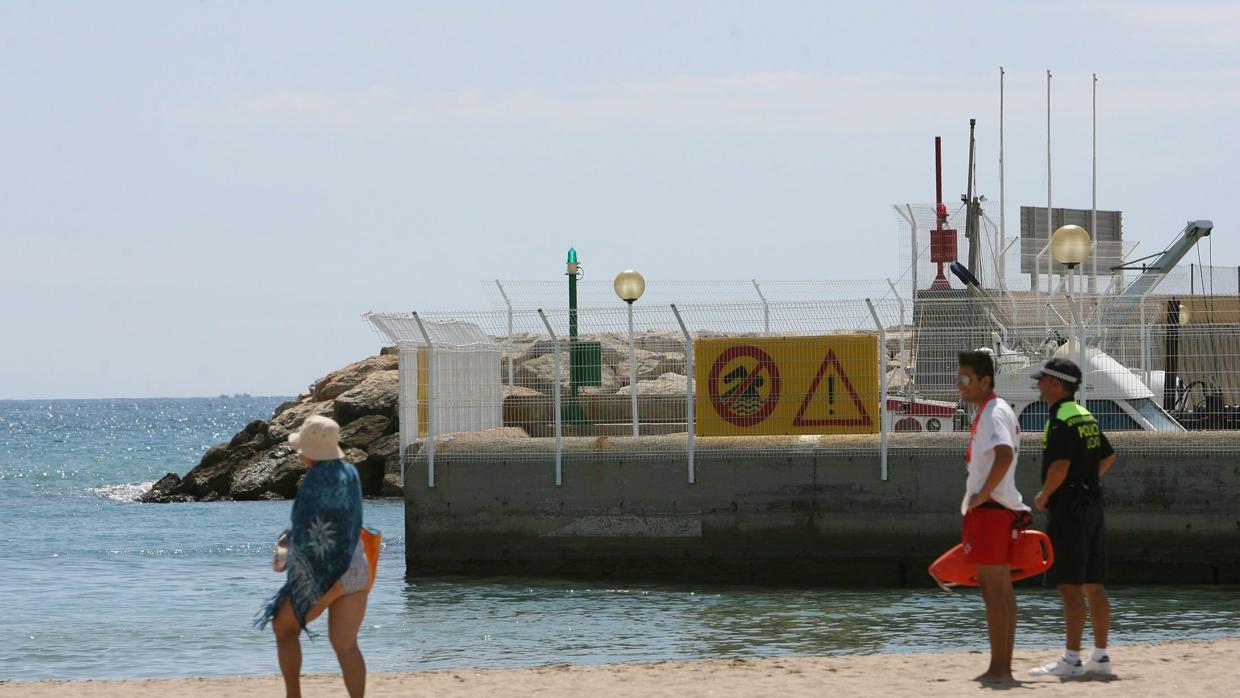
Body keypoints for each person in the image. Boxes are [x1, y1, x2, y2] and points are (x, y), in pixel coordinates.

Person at [256, 415, 380, 698]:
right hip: (356, 568)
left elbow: (308, 531)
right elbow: (341, 521)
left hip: (327, 575)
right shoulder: (350, 473)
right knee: (346, 645)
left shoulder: (314, 481)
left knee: (284, 627)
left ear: (310, 452)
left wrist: (286, 551)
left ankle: (293, 696)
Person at [1028, 358, 1117, 679]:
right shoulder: (1085, 415)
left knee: (1069, 585)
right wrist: (1087, 479)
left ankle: (1071, 659)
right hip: (1093, 504)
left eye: (1042, 380)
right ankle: (1102, 657)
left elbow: (1060, 466)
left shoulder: (1061, 419)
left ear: (1056, 384)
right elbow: (1108, 455)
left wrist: (1045, 495)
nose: (1037, 385)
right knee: (1094, 584)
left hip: (1071, 509)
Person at [956, 350, 1029, 683]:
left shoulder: (993, 412)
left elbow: (1004, 453)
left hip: (992, 510)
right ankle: (1002, 664)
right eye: (960, 379)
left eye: (967, 379)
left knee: (993, 590)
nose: (961, 385)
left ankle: (1000, 667)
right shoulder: (992, 410)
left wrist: (982, 494)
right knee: (1001, 590)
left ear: (986, 381)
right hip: (996, 508)